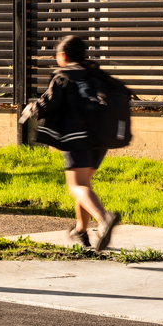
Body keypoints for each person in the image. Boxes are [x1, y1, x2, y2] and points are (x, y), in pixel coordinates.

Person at [19, 34, 120, 252]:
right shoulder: (95, 74)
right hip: (101, 138)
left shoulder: (64, 76)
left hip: (77, 137)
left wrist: (32, 108)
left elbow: (50, 100)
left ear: (63, 56)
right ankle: (80, 230)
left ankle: (104, 219)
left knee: (77, 186)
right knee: (85, 185)